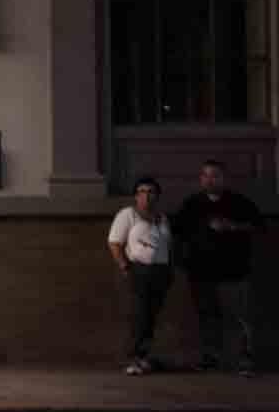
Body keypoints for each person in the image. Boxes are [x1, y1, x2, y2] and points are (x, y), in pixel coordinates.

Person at [173, 159, 264, 375]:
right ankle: (210, 358)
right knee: (207, 317)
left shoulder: (239, 202)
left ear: (224, 178)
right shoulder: (191, 204)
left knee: (240, 317)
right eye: (206, 175)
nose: (210, 179)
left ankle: (245, 360)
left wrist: (232, 226)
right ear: (201, 179)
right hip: (201, 272)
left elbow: (260, 227)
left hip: (235, 271)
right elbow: (178, 234)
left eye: (215, 175)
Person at [107, 176, 174, 375]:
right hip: (138, 270)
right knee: (139, 315)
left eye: (151, 191)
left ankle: (143, 357)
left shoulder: (162, 218)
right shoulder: (127, 215)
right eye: (142, 191)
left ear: (157, 195)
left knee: (151, 315)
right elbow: (114, 243)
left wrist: (168, 270)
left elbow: (168, 245)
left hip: (160, 272)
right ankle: (133, 359)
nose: (147, 195)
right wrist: (125, 266)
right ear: (136, 196)